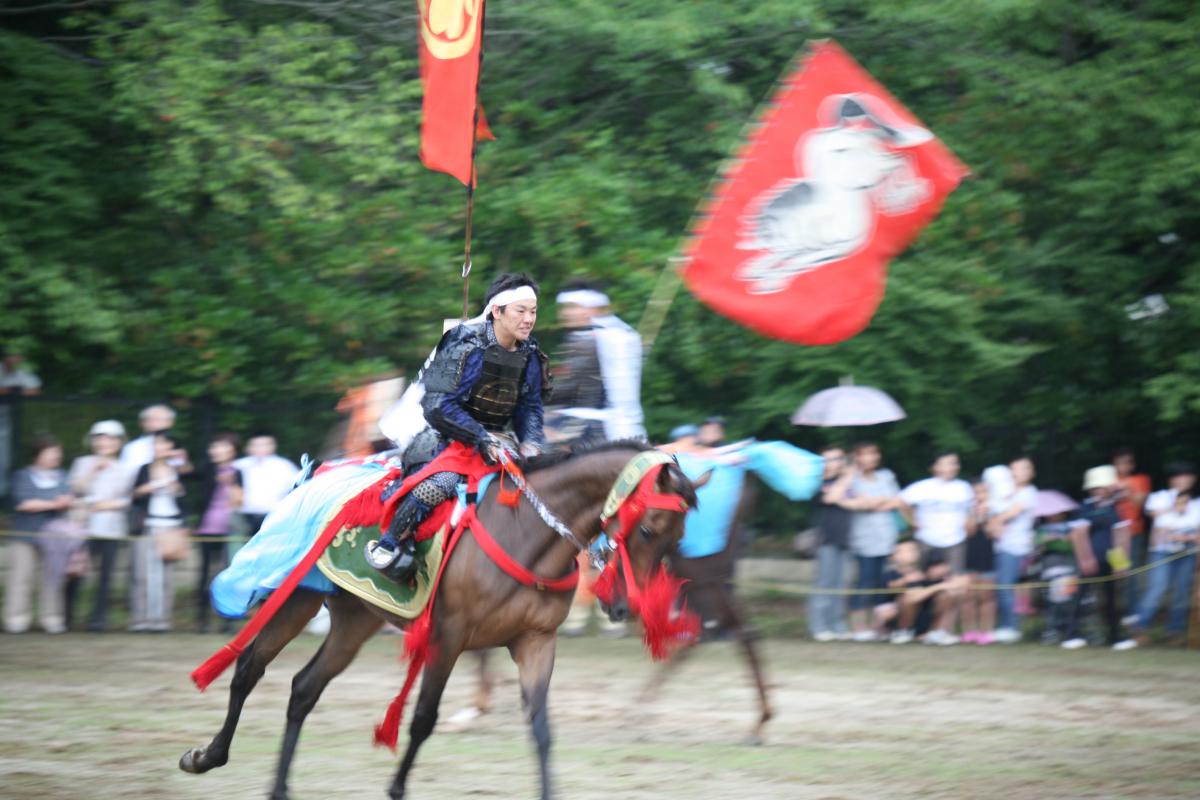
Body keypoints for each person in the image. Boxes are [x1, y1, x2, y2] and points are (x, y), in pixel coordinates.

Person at [366, 273, 549, 581]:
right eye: (521, 311)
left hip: (502, 442)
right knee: (442, 482)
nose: (529, 319)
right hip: (449, 437)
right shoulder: (466, 346)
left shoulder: (530, 354)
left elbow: (530, 407)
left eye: (533, 311)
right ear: (497, 311)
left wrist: (531, 442)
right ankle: (391, 543)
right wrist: (479, 437)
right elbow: (437, 406)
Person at [546, 282, 645, 444]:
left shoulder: (592, 342)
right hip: (591, 424)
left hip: (589, 429)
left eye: (572, 307)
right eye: (564, 307)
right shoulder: (613, 336)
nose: (565, 313)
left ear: (592, 309)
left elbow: (564, 388)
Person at [898, 452, 973, 645]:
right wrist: (913, 521)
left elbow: (971, 511)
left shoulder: (963, 488)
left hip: (955, 542)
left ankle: (940, 630)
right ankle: (906, 629)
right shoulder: (923, 487)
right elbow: (901, 502)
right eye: (945, 463)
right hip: (926, 542)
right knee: (916, 586)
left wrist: (969, 523)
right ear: (935, 467)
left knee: (954, 588)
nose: (950, 467)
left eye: (953, 463)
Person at [68, 420, 136, 632]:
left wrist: (105, 504)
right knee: (76, 573)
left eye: (111, 439)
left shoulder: (125, 467)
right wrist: (93, 470)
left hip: (111, 528)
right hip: (82, 527)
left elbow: (127, 499)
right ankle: (68, 616)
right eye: (100, 439)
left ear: (118, 443)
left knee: (106, 575)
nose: (105, 443)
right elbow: (75, 489)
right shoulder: (82, 462)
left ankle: (98, 618)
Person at [1063, 465, 1138, 651]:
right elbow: (1079, 535)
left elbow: (1121, 536)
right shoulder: (1085, 508)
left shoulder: (1115, 509)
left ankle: (1115, 637)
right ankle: (1072, 635)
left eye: (1102, 487)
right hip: (1089, 561)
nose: (1098, 490)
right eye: (1095, 487)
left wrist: (1121, 564)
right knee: (1081, 597)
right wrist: (1086, 560)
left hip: (1110, 561)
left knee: (1112, 599)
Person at [3, 435, 73, 633]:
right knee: (20, 578)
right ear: (38, 454)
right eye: (52, 452)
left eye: (58, 453)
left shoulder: (62, 475)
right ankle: (16, 619)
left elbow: (67, 498)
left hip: (54, 538)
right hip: (23, 537)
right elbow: (25, 504)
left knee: (52, 579)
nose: (56, 456)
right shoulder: (22, 475)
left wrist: (51, 503)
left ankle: (51, 619)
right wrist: (53, 503)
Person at [842, 442, 901, 641]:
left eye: (872, 453)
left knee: (882, 584)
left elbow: (897, 501)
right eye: (864, 454)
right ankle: (858, 627)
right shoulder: (852, 479)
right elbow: (856, 504)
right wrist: (880, 501)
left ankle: (879, 626)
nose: (869, 458)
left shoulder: (887, 476)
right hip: (863, 540)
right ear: (857, 457)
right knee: (863, 583)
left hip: (886, 538)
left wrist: (873, 502)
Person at [129, 433, 187, 632]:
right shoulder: (144, 469)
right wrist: (150, 487)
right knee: (142, 574)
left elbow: (184, 496)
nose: (159, 448)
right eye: (156, 445)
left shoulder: (178, 469)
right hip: (148, 525)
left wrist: (176, 486)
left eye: (164, 445)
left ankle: (162, 619)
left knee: (166, 576)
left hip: (171, 525)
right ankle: (140, 620)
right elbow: (135, 493)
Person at [188, 433, 244, 632]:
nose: (217, 451)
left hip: (228, 531)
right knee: (203, 575)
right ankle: (202, 621)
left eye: (222, 447)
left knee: (227, 574)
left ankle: (227, 620)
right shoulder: (206, 469)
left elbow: (238, 502)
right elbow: (187, 476)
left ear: (232, 450)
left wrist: (229, 484)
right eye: (215, 447)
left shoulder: (237, 473)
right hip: (206, 529)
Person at [1132, 490, 1199, 645]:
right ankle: (1140, 627)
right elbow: (1158, 533)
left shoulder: (1196, 510)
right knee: (1158, 588)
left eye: (1186, 501)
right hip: (1161, 553)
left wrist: (1187, 537)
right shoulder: (1163, 509)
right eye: (1180, 501)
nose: (1183, 504)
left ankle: (1175, 632)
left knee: (1181, 592)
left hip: (1187, 555)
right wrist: (1180, 535)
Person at [989, 457, 1038, 643]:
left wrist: (995, 519)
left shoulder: (1029, 492)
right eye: (1016, 469)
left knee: (1005, 587)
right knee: (1002, 587)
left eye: (1025, 468)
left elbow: (1010, 513)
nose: (1020, 472)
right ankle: (1006, 626)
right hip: (1002, 546)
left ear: (1031, 472)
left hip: (1016, 547)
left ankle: (1011, 628)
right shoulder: (1006, 492)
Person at [807, 446, 853, 641]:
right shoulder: (818, 482)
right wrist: (848, 476)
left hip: (846, 539)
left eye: (837, 458)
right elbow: (830, 497)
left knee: (840, 584)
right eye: (828, 459)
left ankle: (837, 624)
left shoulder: (850, 483)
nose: (833, 462)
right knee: (824, 583)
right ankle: (819, 625)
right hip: (826, 538)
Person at [234, 434, 299, 536]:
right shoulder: (239, 465)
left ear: (273, 446)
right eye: (256, 445)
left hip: (275, 513)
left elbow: (296, 489)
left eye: (265, 444)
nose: (260, 448)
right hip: (244, 514)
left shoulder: (285, 466)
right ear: (248, 447)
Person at [1113, 448, 1152, 612]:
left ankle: (1133, 610)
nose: (1124, 466)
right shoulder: (1109, 481)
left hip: (1134, 534)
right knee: (1118, 572)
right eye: (1120, 463)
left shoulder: (1141, 479)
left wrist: (1126, 491)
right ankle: (1117, 609)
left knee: (1133, 573)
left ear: (1133, 464)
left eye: (1127, 462)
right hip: (1114, 536)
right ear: (1114, 464)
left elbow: (1140, 503)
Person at [960, 478, 997, 645]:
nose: (980, 496)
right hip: (969, 556)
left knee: (987, 597)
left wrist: (987, 515)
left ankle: (986, 632)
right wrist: (976, 514)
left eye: (983, 492)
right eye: (976, 492)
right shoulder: (966, 511)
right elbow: (969, 531)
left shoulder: (994, 511)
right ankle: (969, 631)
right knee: (969, 597)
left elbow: (994, 533)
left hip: (988, 557)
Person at [120, 404, 184, 471]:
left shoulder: (177, 443)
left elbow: (186, 470)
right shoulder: (133, 447)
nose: (153, 424)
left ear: (171, 422)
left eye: (158, 420)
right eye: (149, 420)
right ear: (141, 423)